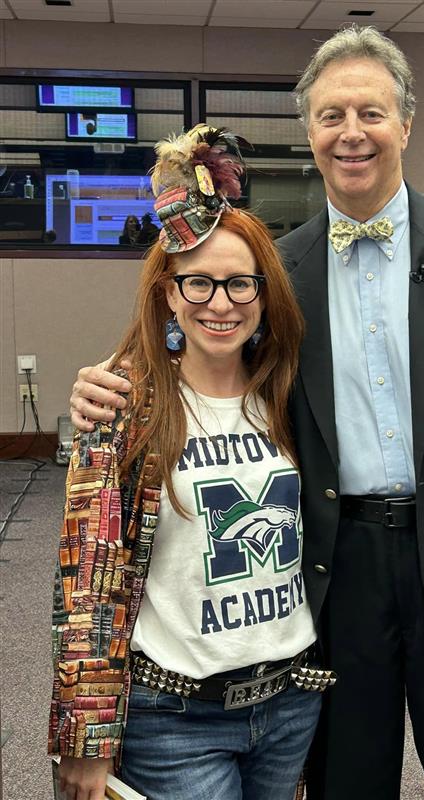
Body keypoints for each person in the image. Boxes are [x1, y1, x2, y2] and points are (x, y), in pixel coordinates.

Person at [69, 27, 424, 800]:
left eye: (371, 112)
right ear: (310, 131)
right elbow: (210, 338)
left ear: (406, 123)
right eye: (331, 115)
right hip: (335, 574)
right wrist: (114, 378)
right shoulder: (281, 268)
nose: (352, 133)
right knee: (345, 781)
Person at [50, 124, 333, 800]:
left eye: (240, 284)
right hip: (173, 718)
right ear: (168, 294)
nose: (220, 303)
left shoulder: (292, 397)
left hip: (290, 704)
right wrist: (84, 741)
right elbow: (87, 587)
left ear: (265, 296)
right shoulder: (124, 406)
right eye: (198, 284)